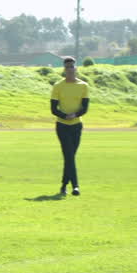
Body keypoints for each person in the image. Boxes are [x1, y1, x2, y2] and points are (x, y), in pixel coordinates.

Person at [50, 56, 90, 195]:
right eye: (67, 67)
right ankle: (75, 186)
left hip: (76, 126)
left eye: (72, 66)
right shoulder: (58, 86)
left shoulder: (83, 86)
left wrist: (75, 115)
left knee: (70, 157)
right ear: (64, 69)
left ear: (75, 68)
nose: (70, 69)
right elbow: (53, 109)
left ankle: (63, 186)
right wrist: (65, 116)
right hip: (62, 126)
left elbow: (85, 108)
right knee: (69, 155)